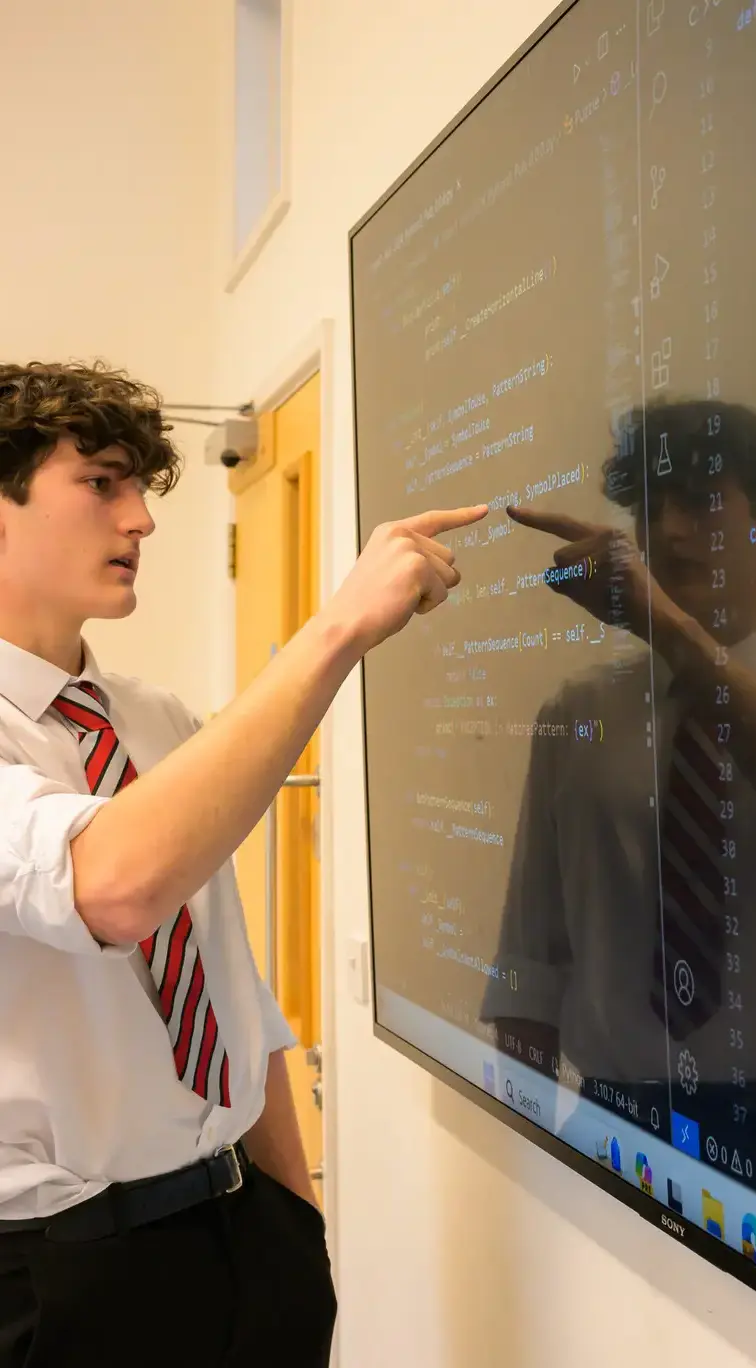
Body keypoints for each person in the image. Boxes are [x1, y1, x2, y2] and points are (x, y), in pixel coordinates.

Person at [0, 360, 485, 1368]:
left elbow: (230, 991)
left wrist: (293, 1228)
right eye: (101, 482)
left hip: (243, 1236)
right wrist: (338, 629)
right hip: (62, 1279)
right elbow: (115, 888)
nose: (140, 520)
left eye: (141, 486)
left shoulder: (155, 718)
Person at [481, 398, 756, 1204]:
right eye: (651, 506)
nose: (671, 532)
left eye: (702, 501)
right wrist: (526, 1157)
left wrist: (671, 630)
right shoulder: (577, 711)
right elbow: (532, 959)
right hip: (620, 1121)